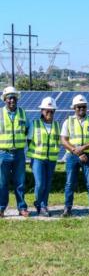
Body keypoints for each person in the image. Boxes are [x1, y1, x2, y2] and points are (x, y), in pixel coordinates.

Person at [60, 94, 89, 217]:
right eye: (78, 107)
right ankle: (67, 208)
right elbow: (64, 140)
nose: (81, 109)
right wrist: (76, 151)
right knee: (69, 183)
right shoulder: (68, 122)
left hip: (88, 156)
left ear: (86, 107)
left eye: (83, 107)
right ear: (74, 108)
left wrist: (83, 149)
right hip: (72, 156)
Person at [28, 97, 60, 217]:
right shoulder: (35, 124)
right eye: (47, 111)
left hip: (51, 160)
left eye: (52, 111)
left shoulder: (57, 125)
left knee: (47, 184)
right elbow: (29, 141)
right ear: (42, 111)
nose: (50, 113)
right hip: (37, 159)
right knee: (40, 183)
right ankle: (39, 203)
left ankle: (43, 205)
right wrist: (32, 159)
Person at [0, 86, 29, 218]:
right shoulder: (0, 113)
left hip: (18, 153)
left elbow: (29, 132)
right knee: (2, 183)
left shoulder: (23, 113)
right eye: (9, 98)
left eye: (14, 97)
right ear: (4, 99)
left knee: (20, 182)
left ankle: (22, 208)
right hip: (3, 154)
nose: (12, 100)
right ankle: (1, 208)